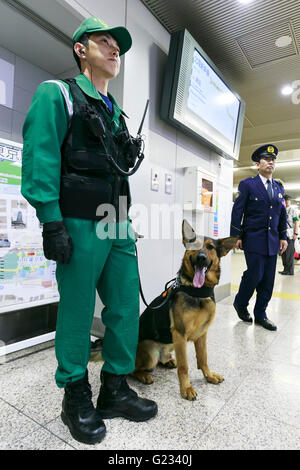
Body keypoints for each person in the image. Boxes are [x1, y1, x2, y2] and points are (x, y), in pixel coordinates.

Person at [21, 17, 157, 446]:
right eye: (105, 42)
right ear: (81, 49)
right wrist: (51, 220)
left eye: (119, 46)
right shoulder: (56, 94)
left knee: (122, 308)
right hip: (78, 219)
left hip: (117, 221)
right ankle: (75, 394)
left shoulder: (116, 112)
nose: (115, 50)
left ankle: (114, 388)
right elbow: (40, 155)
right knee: (79, 311)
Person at [230, 144, 288, 331]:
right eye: (267, 159)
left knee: (268, 279)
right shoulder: (248, 185)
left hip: (272, 241)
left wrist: (283, 236)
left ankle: (261, 314)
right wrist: (235, 235)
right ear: (257, 164)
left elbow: (282, 214)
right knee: (255, 275)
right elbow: (237, 210)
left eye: (273, 160)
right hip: (253, 238)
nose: (271, 162)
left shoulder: (278, 187)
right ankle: (240, 303)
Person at [279, 194, 299, 275]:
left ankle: (290, 270)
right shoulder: (281, 209)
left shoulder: (293, 210)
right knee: (283, 252)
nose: (286, 202)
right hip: (283, 234)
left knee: (289, 253)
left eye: (288, 200)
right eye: (285, 200)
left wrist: (295, 233)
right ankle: (285, 269)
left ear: (290, 201)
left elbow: (296, 222)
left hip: (290, 234)